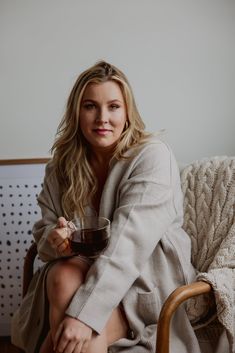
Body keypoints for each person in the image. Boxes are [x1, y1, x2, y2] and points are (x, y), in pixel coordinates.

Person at [11, 61, 200, 353]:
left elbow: (129, 244)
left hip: (144, 281)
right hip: (81, 275)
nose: (102, 118)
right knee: (61, 276)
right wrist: (55, 240)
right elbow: (44, 236)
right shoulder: (59, 168)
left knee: (79, 339)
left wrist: (82, 316)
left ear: (127, 114)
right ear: (77, 112)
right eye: (90, 106)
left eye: (113, 106)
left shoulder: (152, 156)